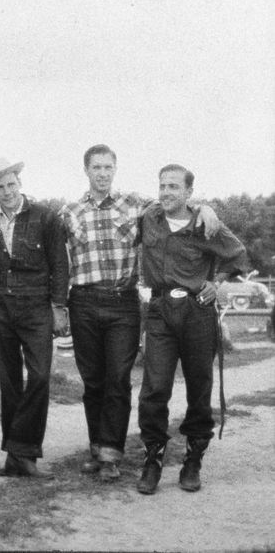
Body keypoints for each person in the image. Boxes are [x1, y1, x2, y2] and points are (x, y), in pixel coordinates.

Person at [59, 144, 219, 480]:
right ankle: (96, 448)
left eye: (108, 167)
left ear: (115, 169)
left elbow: (177, 204)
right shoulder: (68, 212)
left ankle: (111, 456)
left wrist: (204, 206)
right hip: (84, 302)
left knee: (118, 379)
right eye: (96, 167)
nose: (102, 173)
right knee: (93, 382)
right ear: (85, 170)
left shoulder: (137, 205)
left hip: (123, 303)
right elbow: (56, 259)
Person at [136, 164, 247, 495]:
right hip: (159, 311)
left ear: (188, 193)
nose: (166, 192)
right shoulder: (149, 217)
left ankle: (193, 459)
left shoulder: (206, 223)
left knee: (199, 386)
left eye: (174, 187)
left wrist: (217, 282)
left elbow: (238, 255)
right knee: (154, 388)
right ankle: (153, 459)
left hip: (197, 312)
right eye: (162, 186)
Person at [0, 158, 69, 479]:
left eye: (11, 184)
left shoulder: (45, 217)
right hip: (1, 307)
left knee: (40, 376)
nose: (6, 192)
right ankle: (16, 458)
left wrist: (59, 307)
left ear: (20, 182)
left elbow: (60, 264)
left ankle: (23, 450)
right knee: (9, 380)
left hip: (37, 307)